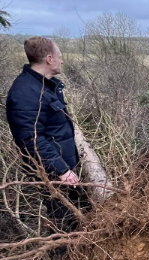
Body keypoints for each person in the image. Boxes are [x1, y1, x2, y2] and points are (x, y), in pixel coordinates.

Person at [5, 36, 81, 232]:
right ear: (49, 59)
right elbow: (31, 139)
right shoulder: (25, 93)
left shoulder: (46, 86)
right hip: (53, 173)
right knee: (62, 224)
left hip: (65, 168)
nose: (62, 60)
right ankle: (63, 259)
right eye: (60, 56)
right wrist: (61, 170)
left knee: (76, 218)